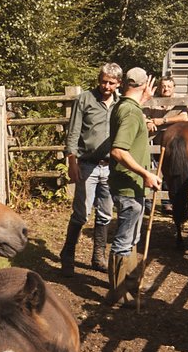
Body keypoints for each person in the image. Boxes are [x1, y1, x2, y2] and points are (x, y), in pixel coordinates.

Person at [59, 63, 122, 275]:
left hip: (110, 166)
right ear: (99, 80)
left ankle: (98, 256)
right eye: (103, 81)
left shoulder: (121, 104)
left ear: (118, 83)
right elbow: (74, 132)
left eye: (111, 83)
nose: (106, 86)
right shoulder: (85, 99)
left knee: (105, 213)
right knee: (82, 213)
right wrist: (72, 161)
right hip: (88, 164)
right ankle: (68, 255)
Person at [107, 67, 163, 304]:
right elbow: (118, 150)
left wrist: (144, 98)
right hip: (129, 184)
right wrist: (145, 174)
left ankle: (131, 284)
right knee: (124, 240)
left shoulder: (126, 106)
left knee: (132, 237)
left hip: (132, 184)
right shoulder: (130, 112)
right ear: (144, 84)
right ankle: (119, 292)